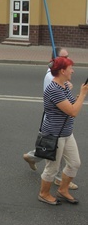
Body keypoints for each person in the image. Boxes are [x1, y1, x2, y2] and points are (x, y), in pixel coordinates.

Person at [23, 47, 78, 190]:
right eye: (64, 58)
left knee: (53, 152)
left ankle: (32, 156)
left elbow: (68, 100)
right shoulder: (51, 80)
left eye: (68, 56)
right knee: (53, 156)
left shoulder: (62, 81)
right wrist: (72, 91)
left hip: (63, 126)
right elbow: (58, 100)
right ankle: (56, 181)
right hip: (54, 123)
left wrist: (67, 87)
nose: (68, 60)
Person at [37, 57, 88, 205]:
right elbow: (72, 111)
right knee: (52, 168)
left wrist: (78, 98)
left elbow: (71, 104)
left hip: (66, 132)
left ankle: (63, 190)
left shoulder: (64, 86)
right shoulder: (53, 89)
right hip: (54, 134)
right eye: (70, 68)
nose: (73, 70)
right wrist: (83, 94)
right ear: (62, 71)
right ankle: (44, 193)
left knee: (74, 163)